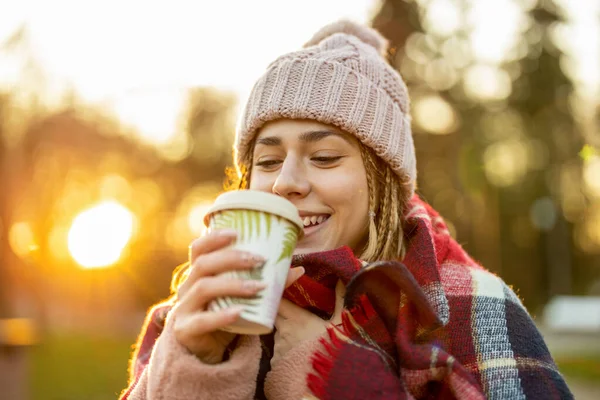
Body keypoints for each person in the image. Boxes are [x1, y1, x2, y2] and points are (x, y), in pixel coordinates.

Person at [120, 20, 573, 400]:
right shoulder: (191, 308)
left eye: (324, 158)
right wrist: (192, 365)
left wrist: (341, 374)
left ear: (383, 182)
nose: (286, 183)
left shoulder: (472, 307)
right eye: (268, 161)